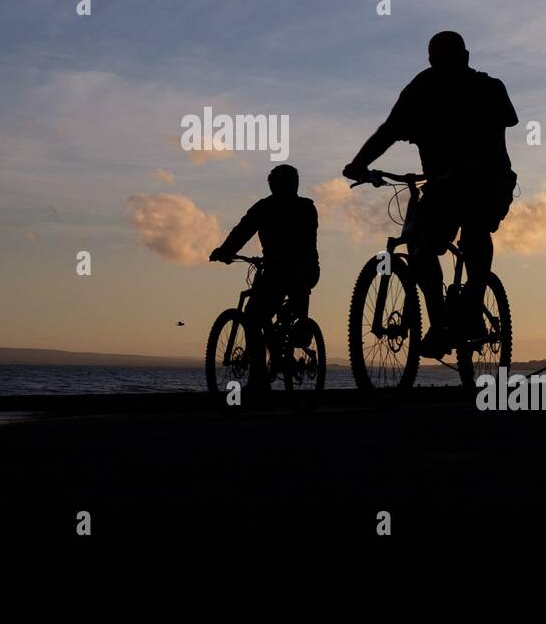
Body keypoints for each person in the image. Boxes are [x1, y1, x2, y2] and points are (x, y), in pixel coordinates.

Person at [342, 31, 518, 357]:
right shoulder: (420, 89)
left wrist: (473, 164)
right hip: (443, 184)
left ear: (464, 59)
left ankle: (475, 298)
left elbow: (497, 133)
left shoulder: (487, 88)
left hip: (488, 181)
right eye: (441, 61)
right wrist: (359, 163)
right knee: (420, 244)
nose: (446, 66)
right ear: (433, 62)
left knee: (474, 228)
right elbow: (389, 131)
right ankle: (439, 322)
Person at [209, 164, 320, 390]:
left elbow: (245, 230)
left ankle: (264, 373)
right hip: (286, 270)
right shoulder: (285, 207)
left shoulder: (290, 208)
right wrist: (226, 250)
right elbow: (243, 229)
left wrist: (226, 251)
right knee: (260, 317)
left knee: (254, 317)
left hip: (296, 271)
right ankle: (270, 365)